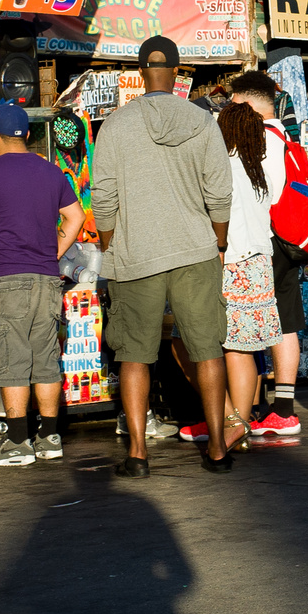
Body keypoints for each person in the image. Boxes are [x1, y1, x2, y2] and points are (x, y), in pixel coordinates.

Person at [91, 36, 238, 478]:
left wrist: (109, 240)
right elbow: (220, 191)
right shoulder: (203, 121)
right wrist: (219, 239)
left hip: (136, 253)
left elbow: (103, 197)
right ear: (177, 73)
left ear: (139, 72)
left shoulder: (115, 125)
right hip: (196, 248)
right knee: (207, 348)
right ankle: (216, 447)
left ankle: (137, 454)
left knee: (134, 354)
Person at [0, 103, 85, 467]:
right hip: (46, 277)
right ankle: (49, 437)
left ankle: (18, 441)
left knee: (10, 356)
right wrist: (53, 252)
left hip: (5, 277)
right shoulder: (51, 171)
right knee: (45, 356)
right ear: (29, 136)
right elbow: (76, 216)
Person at [173, 101, 285, 441]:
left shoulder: (223, 168)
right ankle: (238, 422)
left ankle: (228, 419)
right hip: (259, 263)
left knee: (188, 342)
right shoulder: (256, 171)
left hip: (229, 262)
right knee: (242, 349)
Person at [230, 71, 306, 435]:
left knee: (252, 321)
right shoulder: (285, 136)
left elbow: (262, 195)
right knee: (284, 320)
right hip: (291, 240)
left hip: (267, 239)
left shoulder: (259, 137)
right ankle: (283, 408)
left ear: (244, 103)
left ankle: (254, 406)